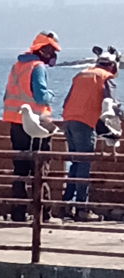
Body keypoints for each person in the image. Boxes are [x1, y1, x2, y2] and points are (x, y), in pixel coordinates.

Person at [2, 31, 61, 222]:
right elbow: (41, 96)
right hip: (37, 124)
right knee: (40, 167)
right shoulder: (37, 67)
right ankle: (43, 214)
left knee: (20, 168)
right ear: (43, 51)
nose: (53, 55)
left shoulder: (17, 65)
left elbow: (7, 95)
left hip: (16, 123)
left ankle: (18, 212)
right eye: (51, 51)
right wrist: (52, 95)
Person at [61, 47, 120, 221]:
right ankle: (82, 208)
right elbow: (110, 104)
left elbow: (67, 100)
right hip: (84, 123)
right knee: (84, 164)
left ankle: (65, 205)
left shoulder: (81, 75)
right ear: (112, 66)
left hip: (68, 120)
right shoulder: (105, 77)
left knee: (76, 163)